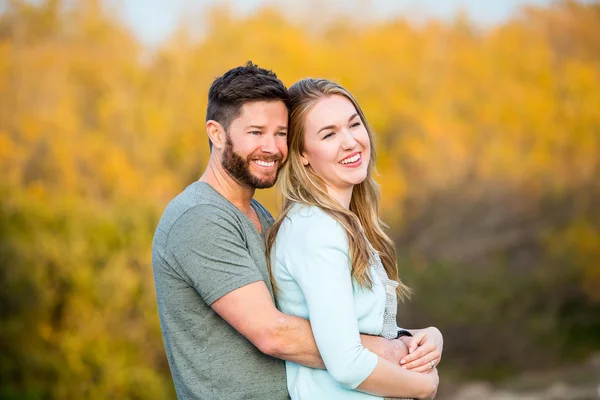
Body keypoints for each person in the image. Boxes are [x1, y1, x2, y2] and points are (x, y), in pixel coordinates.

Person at [152, 62, 442, 400]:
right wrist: (392, 354)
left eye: (280, 134)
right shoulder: (200, 218)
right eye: (256, 132)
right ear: (217, 134)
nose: (273, 147)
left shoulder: (258, 214)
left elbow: (317, 314)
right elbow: (274, 333)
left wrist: (406, 340)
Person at [266, 78, 440, 399]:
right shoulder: (317, 229)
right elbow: (346, 363)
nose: (350, 141)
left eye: (353, 124)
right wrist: (424, 386)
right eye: (329, 134)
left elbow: (365, 332)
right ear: (302, 154)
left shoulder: (341, 221)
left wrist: (425, 338)